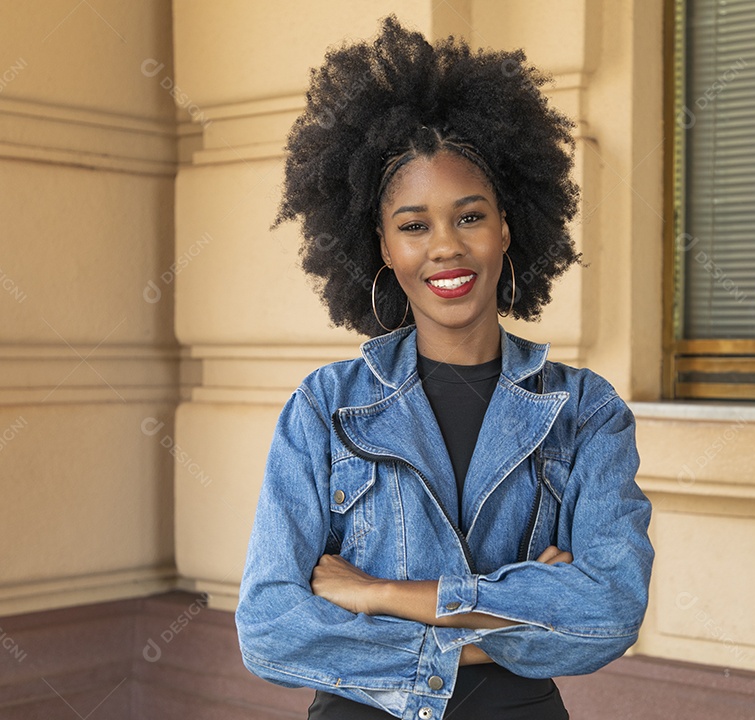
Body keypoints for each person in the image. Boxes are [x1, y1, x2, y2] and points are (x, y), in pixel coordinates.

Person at [235, 16, 654, 720]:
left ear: (507, 227)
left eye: (469, 217)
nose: (445, 249)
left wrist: (379, 594)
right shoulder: (324, 407)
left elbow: (610, 610)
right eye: (414, 225)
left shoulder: (586, 412)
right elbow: (271, 629)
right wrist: (498, 623)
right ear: (382, 245)